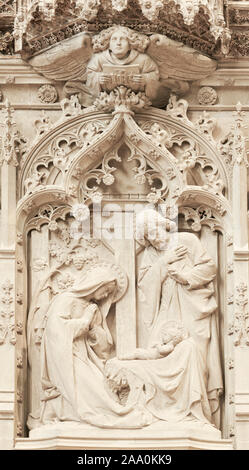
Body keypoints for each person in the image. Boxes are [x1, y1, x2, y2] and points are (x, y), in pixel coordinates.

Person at [135, 208, 223, 427]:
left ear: (163, 224)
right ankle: (166, 414)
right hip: (167, 311)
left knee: (197, 356)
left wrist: (186, 277)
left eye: (154, 230)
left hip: (194, 309)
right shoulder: (151, 254)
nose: (154, 238)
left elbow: (209, 267)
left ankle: (196, 412)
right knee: (165, 357)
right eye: (148, 236)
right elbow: (145, 286)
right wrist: (165, 262)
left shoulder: (186, 240)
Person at [38, 265, 154, 429]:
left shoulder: (92, 308)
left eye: (109, 292)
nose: (106, 295)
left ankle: (114, 414)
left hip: (85, 356)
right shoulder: (66, 299)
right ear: (96, 284)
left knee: (104, 390)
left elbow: (103, 347)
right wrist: (85, 321)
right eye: (105, 289)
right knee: (94, 393)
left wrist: (95, 330)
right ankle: (73, 413)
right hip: (65, 357)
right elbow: (55, 331)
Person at [64, 26, 160, 106]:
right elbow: (90, 74)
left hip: (137, 102)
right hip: (105, 102)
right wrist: (98, 78)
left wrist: (145, 79)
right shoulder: (99, 59)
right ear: (108, 44)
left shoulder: (142, 59)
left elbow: (155, 75)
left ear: (130, 44)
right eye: (114, 39)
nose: (118, 43)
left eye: (123, 39)